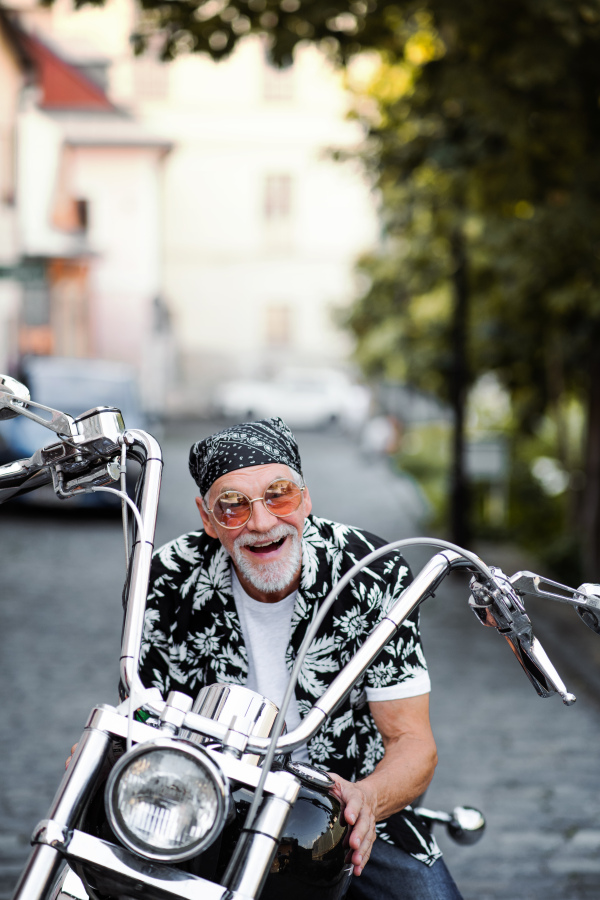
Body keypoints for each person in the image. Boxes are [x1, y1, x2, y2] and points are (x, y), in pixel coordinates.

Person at [139, 417, 463, 899]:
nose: (263, 522)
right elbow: (144, 716)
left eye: (279, 494)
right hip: (208, 804)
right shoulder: (166, 574)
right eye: (233, 506)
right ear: (207, 519)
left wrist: (367, 799)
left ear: (305, 498)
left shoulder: (372, 569)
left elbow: (413, 742)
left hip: (348, 807)